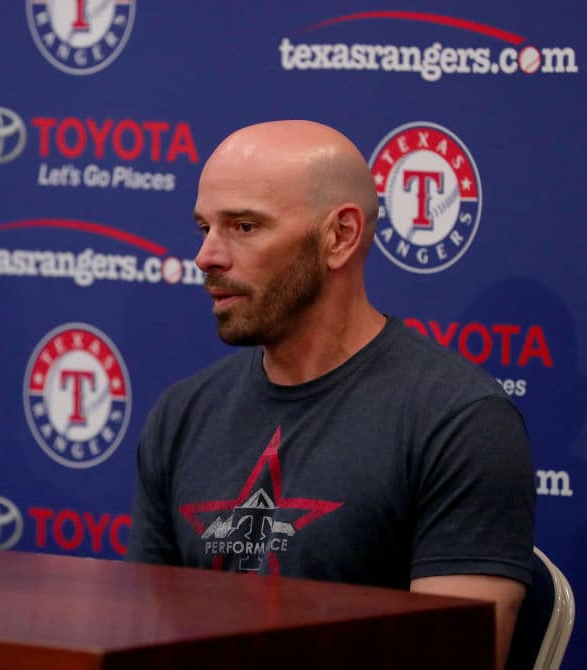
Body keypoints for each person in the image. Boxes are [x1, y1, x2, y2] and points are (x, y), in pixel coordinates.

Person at [125, 120, 534, 668]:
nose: (207, 256)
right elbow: (141, 642)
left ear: (339, 236)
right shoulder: (182, 415)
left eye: (244, 227)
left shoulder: (460, 422)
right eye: (204, 227)